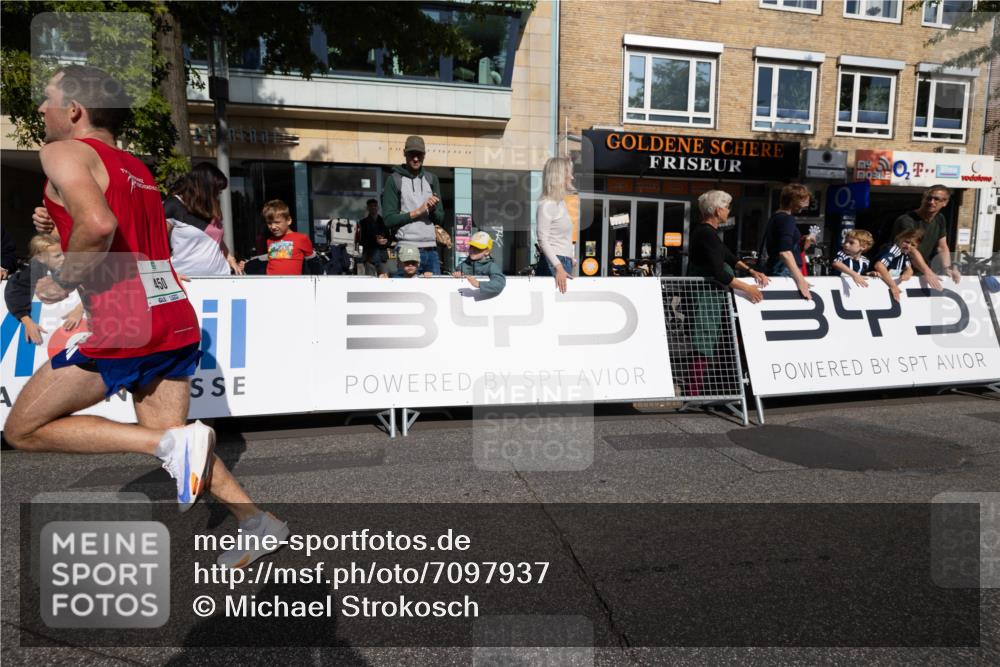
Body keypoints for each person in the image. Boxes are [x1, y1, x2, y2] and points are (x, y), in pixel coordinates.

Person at [4, 66, 286, 570]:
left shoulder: (62, 151)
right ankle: (256, 521)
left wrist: (64, 279)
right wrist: (55, 212)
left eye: (47, 98)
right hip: (172, 315)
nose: (41, 108)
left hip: (124, 321)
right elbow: (116, 229)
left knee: (22, 430)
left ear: (75, 110)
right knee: (180, 442)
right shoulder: (135, 167)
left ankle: (166, 442)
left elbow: (98, 225)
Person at [687, 190, 770, 396]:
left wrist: (751, 270)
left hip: (711, 296)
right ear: (717, 210)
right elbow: (718, 271)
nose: (729, 211)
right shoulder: (707, 234)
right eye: (727, 207)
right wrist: (747, 287)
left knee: (717, 340)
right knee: (704, 342)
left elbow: (728, 256)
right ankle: (694, 392)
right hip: (706, 297)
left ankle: (713, 386)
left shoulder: (708, 232)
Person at [164, 162, 244, 276]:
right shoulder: (173, 205)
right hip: (186, 279)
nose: (218, 195)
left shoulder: (211, 208)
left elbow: (216, 239)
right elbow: (157, 244)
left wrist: (231, 259)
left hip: (221, 276)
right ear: (204, 188)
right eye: (216, 191)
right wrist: (169, 274)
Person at [4, 234, 84, 344]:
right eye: (57, 256)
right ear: (41, 258)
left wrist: (80, 309)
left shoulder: (76, 266)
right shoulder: (35, 270)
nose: (64, 258)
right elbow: (14, 291)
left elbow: (98, 288)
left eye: (64, 253)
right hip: (52, 324)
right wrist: (27, 321)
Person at [381, 135, 444, 275]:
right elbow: (388, 220)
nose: (416, 159)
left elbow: (440, 219)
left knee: (435, 289)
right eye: (411, 154)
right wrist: (418, 211)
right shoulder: (394, 180)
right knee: (405, 290)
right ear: (404, 153)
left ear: (424, 155)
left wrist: (432, 210)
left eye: (419, 154)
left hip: (431, 249)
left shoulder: (432, 179)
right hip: (407, 249)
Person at [890, 184, 961, 290]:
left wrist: (947, 268)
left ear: (945, 202)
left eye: (936, 199)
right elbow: (910, 249)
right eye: (929, 198)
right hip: (898, 272)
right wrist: (928, 271)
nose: (931, 202)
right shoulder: (907, 220)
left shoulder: (940, 219)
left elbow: (942, 246)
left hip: (920, 273)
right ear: (923, 199)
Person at [762, 183, 812, 300]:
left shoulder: (776, 217)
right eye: (804, 200)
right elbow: (784, 252)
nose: (807, 204)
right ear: (794, 200)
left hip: (779, 269)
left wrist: (803, 244)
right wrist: (801, 280)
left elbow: (782, 247)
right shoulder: (787, 219)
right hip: (785, 271)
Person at [536, 157, 576, 294]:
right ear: (559, 177)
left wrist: (570, 257)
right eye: (568, 173)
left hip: (561, 262)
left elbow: (561, 238)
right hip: (554, 264)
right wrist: (559, 267)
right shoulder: (547, 205)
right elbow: (542, 240)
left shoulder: (560, 203)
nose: (572, 177)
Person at [255, 199, 316, 276]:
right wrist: (247, 263)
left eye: (277, 222)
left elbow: (313, 262)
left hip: (292, 282)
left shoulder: (301, 238)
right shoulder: (269, 240)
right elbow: (267, 259)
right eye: (269, 223)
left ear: (289, 220)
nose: (273, 227)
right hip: (270, 281)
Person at [873, 228, 923, 302]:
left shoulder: (905, 254)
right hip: (874, 284)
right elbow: (879, 266)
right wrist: (893, 286)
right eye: (907, 242)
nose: (908, 246)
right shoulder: (895, 249)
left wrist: (907, 274)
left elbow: (909, 269)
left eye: (913, 245)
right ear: (900, 238)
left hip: (885, 285)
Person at [452, 231, 506, 296]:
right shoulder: (463, 265)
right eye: (471, 246)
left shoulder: (491, 266)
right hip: (464, 298)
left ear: (487, 252)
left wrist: (479, 284)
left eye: (477, 248)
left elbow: (500, 283)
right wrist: (456, 274)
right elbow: (452, 276)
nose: (472, 250)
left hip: (483, 300)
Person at [357, 197, 389, 276]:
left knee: (384, 280)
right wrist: (375, 240)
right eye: (371, 206)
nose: (373, 207)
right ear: (368, 208)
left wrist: (386, 241)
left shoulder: (384, 221)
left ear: (378, 207)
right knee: (370, 280)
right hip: (369, 256)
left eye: (375, 206)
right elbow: (361, 240)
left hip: (382, 256)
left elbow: (389, 237)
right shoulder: (363, 222)